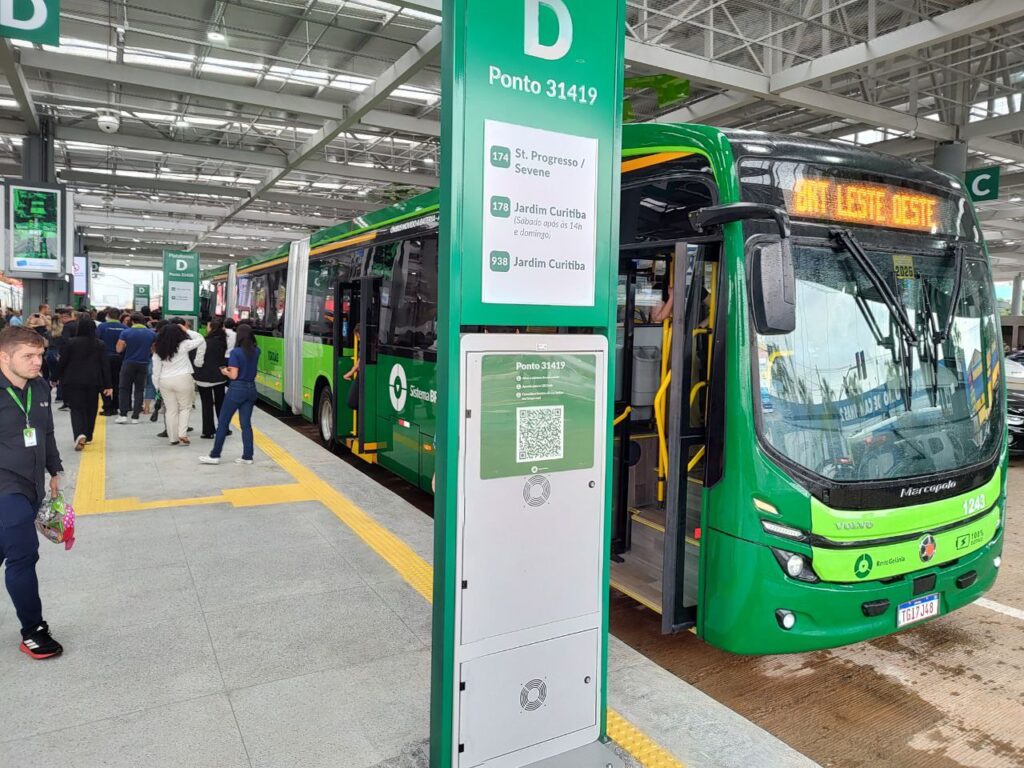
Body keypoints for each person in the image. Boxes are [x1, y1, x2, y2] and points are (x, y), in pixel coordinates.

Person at [0, 326, 64, 659]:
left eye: (40, 354)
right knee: (24, 554)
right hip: (4, 487)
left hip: (32, 484)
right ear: (4, 357)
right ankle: (33, 630)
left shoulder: (39, 386)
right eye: (28, 356)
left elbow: (46, 431)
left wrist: (55, 470)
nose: (38, 361)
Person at [200, 323, 259, 465]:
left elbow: (233, 375)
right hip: (251, 389)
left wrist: (224, 371)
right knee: (246, 424)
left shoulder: (236, 353)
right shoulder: (257, 350)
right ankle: (247, 456)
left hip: (237, 389)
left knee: (223, 423)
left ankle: (215, 455)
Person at [53, 317, 112, 451]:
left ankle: (79, 433)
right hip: (94, 381)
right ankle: (88, 435)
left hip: (73, 381)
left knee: (77, 408)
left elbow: (62, 362)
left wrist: (54, 377)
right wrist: (108, 385)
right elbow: (105, 366)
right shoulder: (100, 344)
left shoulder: (70, 342)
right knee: (91, 408)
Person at [151, 323, 205, 446]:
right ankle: (182, 433)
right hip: (183, 378)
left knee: (170, 410)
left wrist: (157, 386)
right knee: (185, 407)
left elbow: (156, 370)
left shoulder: (157, 348)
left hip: (165, 380)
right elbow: (200, 339)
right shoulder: (184, 344)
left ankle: (173, 438)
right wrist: (186, 330)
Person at [115, 313, 156, 424]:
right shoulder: (151, 333)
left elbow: (119, 349)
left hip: (128, 363)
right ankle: (135, 417)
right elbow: (154, 350)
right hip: (144, 364)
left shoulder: (126, 332)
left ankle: (123, 415)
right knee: (139, 390)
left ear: (132, 321)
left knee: (124, 389)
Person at [193, 319, 229, 439]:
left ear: (212, 328)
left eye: (208, 326)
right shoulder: (223, 341)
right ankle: (224, 428)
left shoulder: (204, 342)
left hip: (204, 377)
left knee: (207, 404)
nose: (207, 328)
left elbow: (198, 362)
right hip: (220, 376)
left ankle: (208, 431)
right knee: (221, 403)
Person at [97, 308, 126, 417]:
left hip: (105, 358)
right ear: (119, 316)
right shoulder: (125, 328)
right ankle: (116, 405)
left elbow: (97, 341)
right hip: (120, 358)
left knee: (105, 382)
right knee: (117, 382)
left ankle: (108, 406)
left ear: (108, 315)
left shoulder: (102, 327)